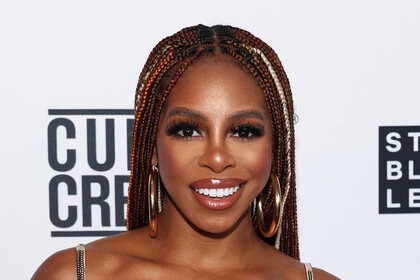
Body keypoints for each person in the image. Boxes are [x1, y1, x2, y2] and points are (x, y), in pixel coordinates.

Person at [32, 24, 339, 280]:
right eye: (188, 131)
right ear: (151, 146)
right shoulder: (75, 274)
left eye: (244, 132)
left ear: (275, 147)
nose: (217, 158)